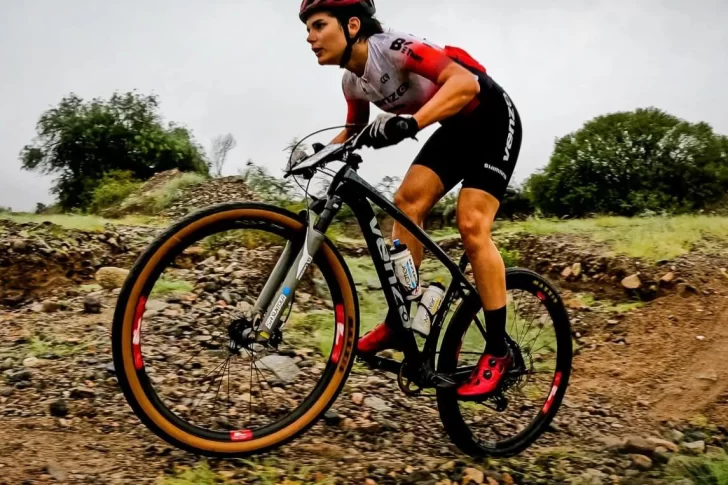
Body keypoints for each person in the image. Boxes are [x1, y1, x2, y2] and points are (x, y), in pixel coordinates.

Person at [299, 0, 523, 399]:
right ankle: (400, 319)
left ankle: (498, 350)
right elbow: (353, 130)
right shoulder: (352, 82)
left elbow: (465, 83)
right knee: (406, 202)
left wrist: (412, 123)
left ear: (352, 25)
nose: (310, 37)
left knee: (471, 224)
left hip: (491, 117)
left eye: (318, 25)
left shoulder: (395, 48)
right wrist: (314, 156)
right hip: (455, 129)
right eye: (307, 29)